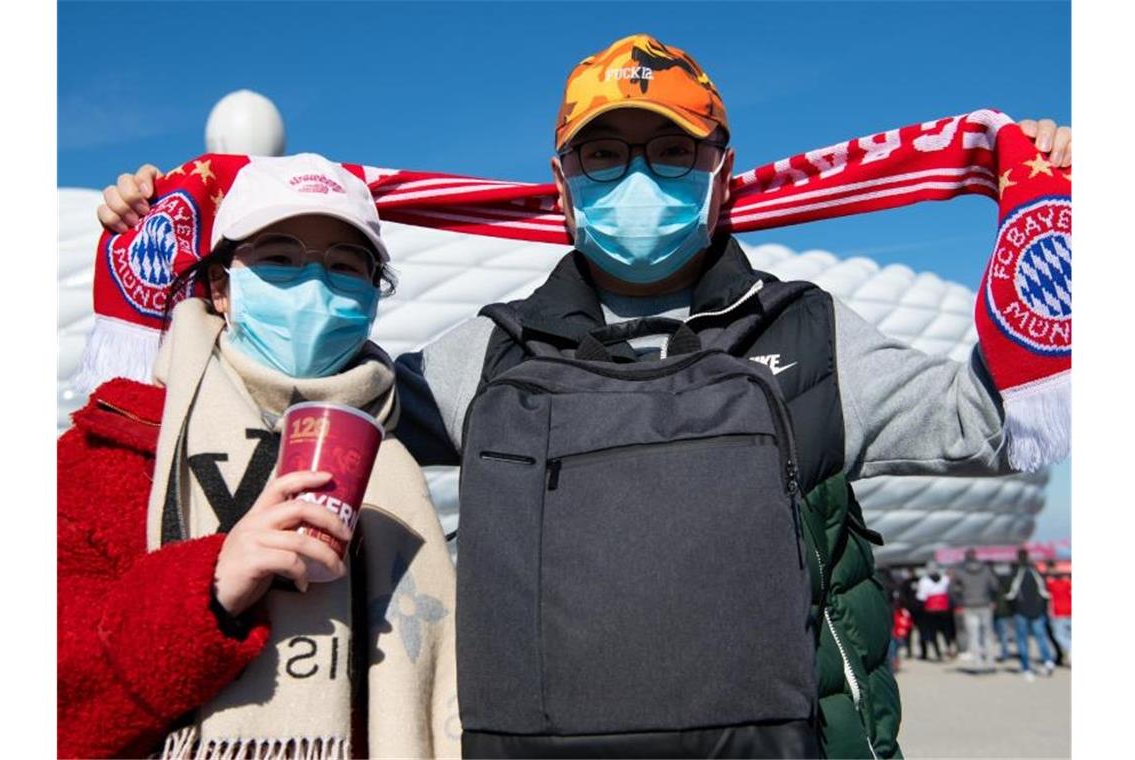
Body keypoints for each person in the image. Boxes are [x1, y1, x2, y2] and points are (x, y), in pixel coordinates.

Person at [96, 33, 1071, 760]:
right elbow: (301, 381)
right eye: (606, 154)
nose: (636, 178)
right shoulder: (489, 349)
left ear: (719, 172)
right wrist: (173, 245)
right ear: (562, 181)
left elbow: (987, 419)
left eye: (670, 151)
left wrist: (1056, 229)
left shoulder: (809, 336)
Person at [59, 154, 460, 759]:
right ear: (220, 287)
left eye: (346, 266)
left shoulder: (397, 454)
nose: (315, 286)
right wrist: (209, 587)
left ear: (373, 298)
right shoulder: (116, 445)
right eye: (278, 258)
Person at [1004, 547, 1056, 681]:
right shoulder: (1036, 572)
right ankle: (1047, 660)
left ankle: (1026, 667)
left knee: (1023, 640)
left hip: (1021, 611)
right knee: (1040, 637)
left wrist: (1012, 608)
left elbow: (1010, 594)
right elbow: (1045, 592)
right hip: (1036, 611)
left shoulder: (1016, 573)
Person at [952, 548, 1001, 672]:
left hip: (969, 605)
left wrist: (960, 600)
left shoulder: (959, 571)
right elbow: (995, 585)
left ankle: (978, 663)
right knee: (987, 634)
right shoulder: (986, 569)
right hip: (985, 604)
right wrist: (992, 599)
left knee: (973, 635)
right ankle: (990, 662)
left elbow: (952, 589)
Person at [916, 562, 951, 662]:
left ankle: (938, 652)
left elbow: (921, 597)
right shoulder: (945, 579)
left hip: (930, 609)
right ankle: (947, 647)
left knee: (933, 632)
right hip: (944, 608)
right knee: (945, 631)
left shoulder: (924, 581)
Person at [1046, 566, 1073, 666]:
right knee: (1067, 635)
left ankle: (1070, 649)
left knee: (1059, 636)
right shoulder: (1067, 584)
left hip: (1058, 613)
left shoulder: (1051, 584)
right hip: (1069, 612)